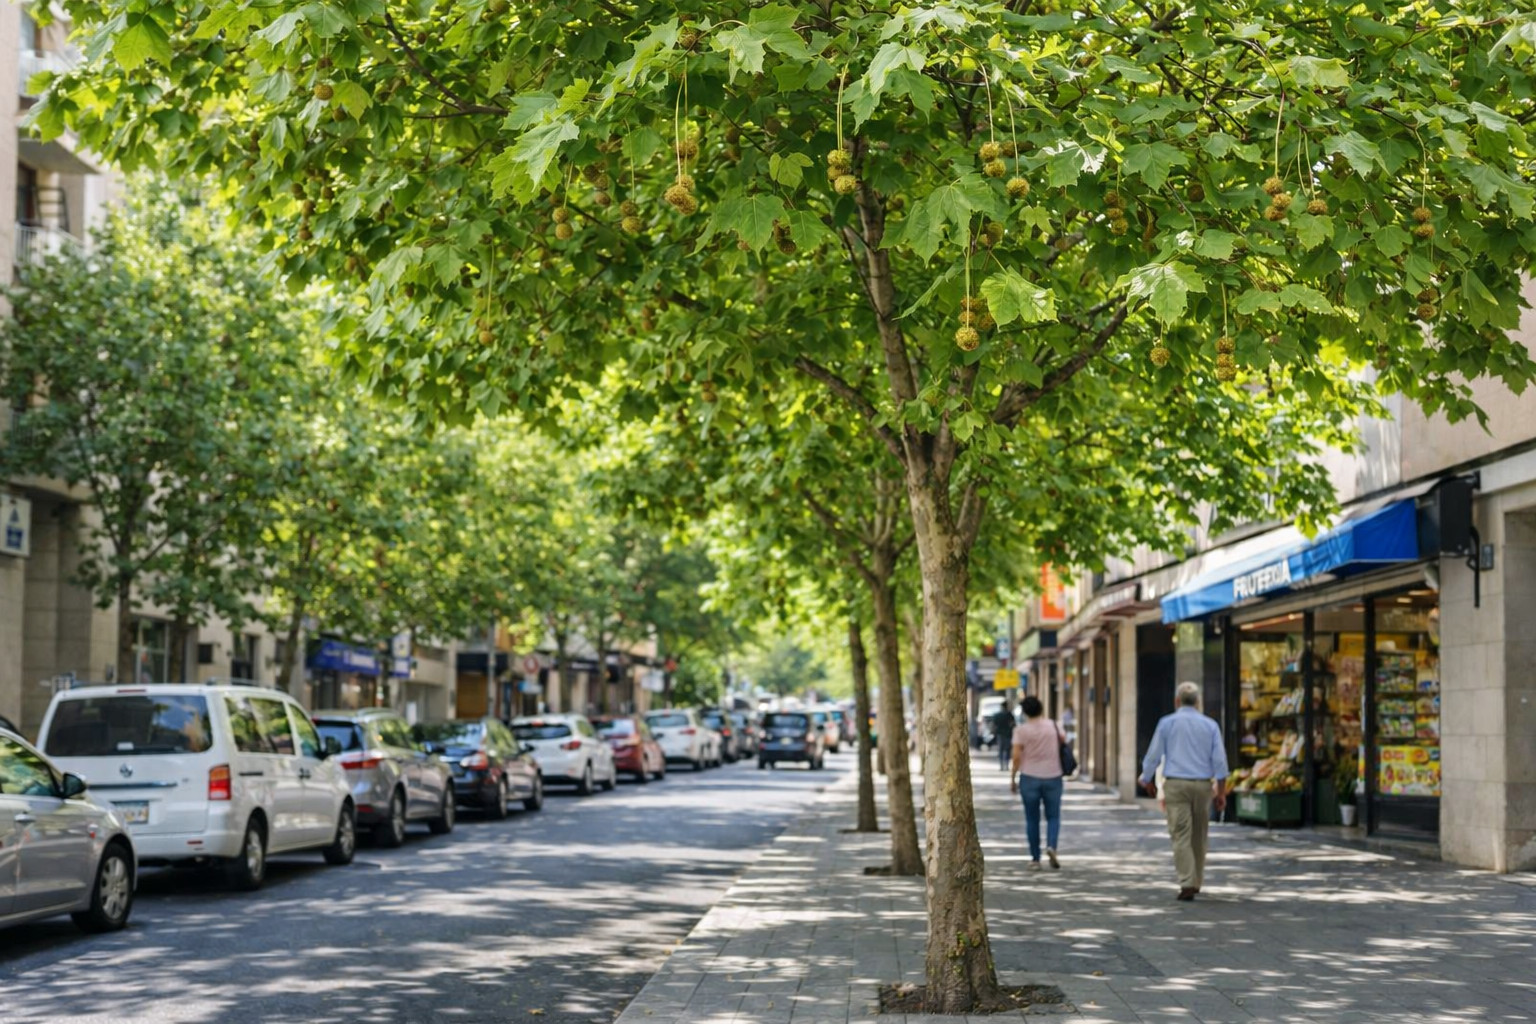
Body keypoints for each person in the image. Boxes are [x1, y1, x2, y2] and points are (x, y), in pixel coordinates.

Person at [1139, 681, 1229, 901]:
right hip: (1202, 786)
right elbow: (1220, 761)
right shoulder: (1210, 725)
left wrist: (1146, 779)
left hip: (1176, 785)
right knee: (1199, 834)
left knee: (1181, 834)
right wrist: (1221, 792)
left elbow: (1154, 754)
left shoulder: (1167, 723)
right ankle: (1196, 881)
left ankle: (1187, 881)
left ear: (1177, 701)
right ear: (1198, 702)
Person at [1009, 696, 1065, 870]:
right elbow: (1063, 742)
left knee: (1032, 819)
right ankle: (1052, 846)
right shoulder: (1054, 726)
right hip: (1053, 776)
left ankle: (1035, 859)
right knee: (1053, 816)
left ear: (1025, 712)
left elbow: (1016, 757)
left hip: (1029, 777)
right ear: (1041, 709)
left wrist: (1013, 778)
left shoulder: (1021, 730)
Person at [991, 701, 1017, 770]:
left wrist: (993, 733)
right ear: (1006, 706)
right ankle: (1006, 765)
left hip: (1000, 735)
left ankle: (1001, 766)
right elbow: (1013, 724)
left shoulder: (997, 715)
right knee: (1007, 750)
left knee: (1000, 750)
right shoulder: (1009, 715)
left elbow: (994, 725)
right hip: (1008, 735)